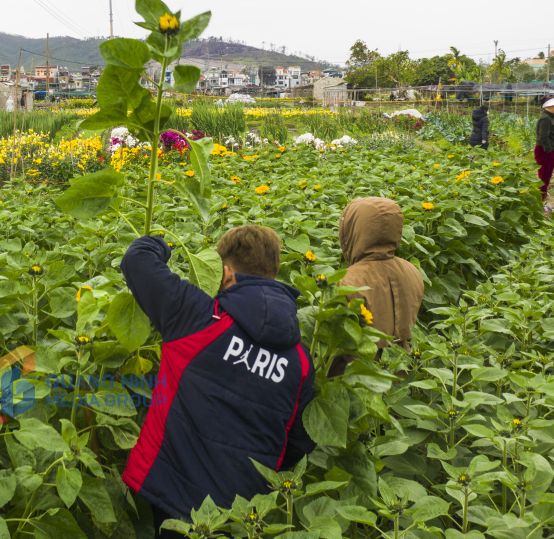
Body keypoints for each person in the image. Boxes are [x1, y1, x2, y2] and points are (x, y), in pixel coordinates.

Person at [120, 226, 315, 533]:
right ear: (274, 272)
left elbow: (137, 258)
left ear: (224, 273)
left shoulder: (198, 317)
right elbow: (298, 442)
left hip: (174, 492)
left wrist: (166, 243)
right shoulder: (300, 360)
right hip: (246, 513)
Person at [332, 198, 424, 374]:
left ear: (353, 230)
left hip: (359, 376)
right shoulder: (412, 271)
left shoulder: (345, 282)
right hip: (402, 369)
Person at [535, 98, 554, 210]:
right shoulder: (545, 118)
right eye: (553, 106)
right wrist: (549, 150)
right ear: (546, 107)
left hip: (548, 150)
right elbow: (543, 136)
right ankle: (541, 201)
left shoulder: (549, 117)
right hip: (544, 150)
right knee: (544, 176)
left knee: (546, 175)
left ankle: (542, 200)